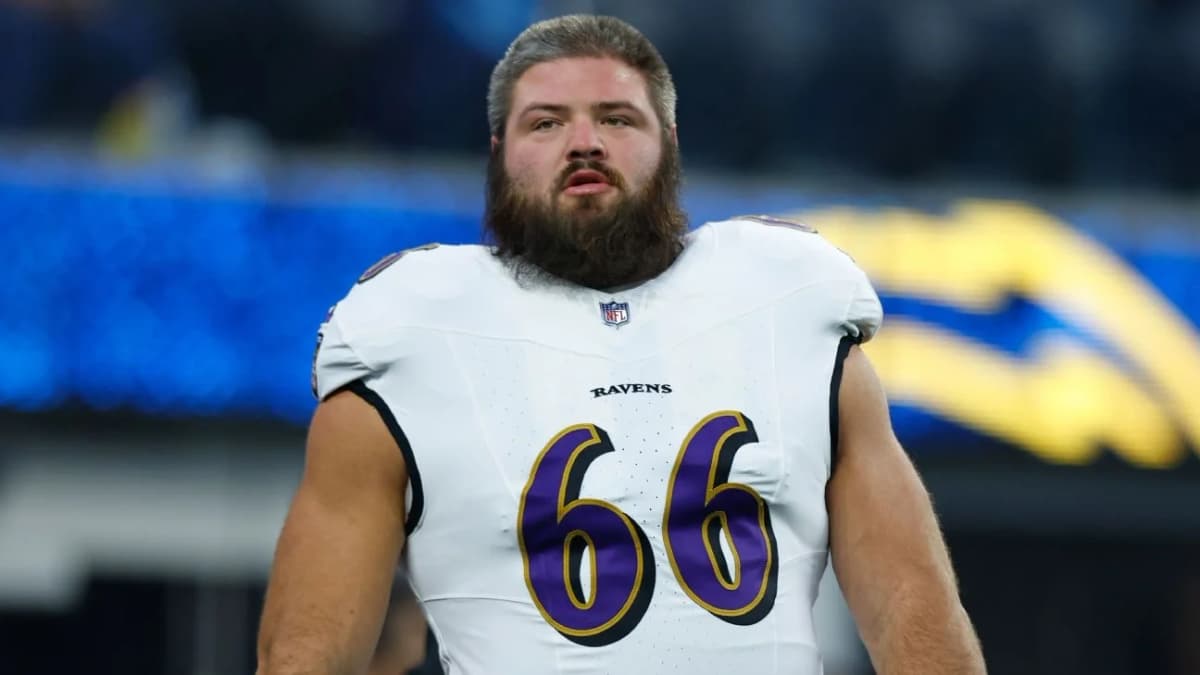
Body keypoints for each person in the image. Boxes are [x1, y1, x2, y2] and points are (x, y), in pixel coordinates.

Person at [256, 14, 986, 675]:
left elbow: (910, 609)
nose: (584, 142)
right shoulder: (408, 334)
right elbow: (307, 655)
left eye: (616, 118)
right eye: (545, 124)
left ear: (670, 144)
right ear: (498, 153)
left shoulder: (786, 301)